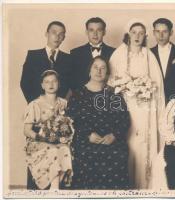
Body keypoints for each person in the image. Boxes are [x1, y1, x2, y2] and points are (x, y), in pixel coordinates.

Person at [109, 19, 165, 189]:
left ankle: (144, 185)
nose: (137, 36)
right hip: (124, 109)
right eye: (134, 32)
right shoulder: (118, 54)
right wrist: (126, 87)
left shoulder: (149, 56)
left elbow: (158, 86)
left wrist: (145, 90)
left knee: (143, 144)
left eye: (141, 33)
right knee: (129, 141)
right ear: (128, 34)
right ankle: (126, 185)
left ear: (145, 36)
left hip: (145, 109)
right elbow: (110, 82)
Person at [67, 56, 130, 189]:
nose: (99, 71)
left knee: (117, 154)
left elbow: (124, 119)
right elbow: (71, 121)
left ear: (107, 73)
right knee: (87, 154)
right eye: (95, 67)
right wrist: (87, 135)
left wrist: (114, 135)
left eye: (103, 68)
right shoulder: (77, 94)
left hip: (111, 140)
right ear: (89, 71)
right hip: (85, 140)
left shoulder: (114, 94)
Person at [23, 70, 73, 190]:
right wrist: (43, 138)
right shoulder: (35, 104)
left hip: (59, 141)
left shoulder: (64, 103)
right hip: (39, 141)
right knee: (53, 150)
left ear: (59, 84)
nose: (51, 84)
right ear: (42, 85)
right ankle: (54, 188)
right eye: (47, 82)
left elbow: (68, 125)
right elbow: (26, 130)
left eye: (54, 81)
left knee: (65, 149)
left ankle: (55, 187)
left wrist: (64, 135)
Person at [20, 21, 71, 103]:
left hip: (60, 108)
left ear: (64, 37)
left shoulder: (69, 59)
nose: (57, 37)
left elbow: (70, 85)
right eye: (54, 32)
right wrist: (36, 104)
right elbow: (25, 83)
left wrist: (61, 104)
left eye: (61, 34)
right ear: (47, 34)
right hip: (37, 107)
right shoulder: (33, 56)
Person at [70, 17, 115, 90]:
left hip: (106, 96)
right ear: (86, 32)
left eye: (99, 30)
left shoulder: (114, 52)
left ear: (104, 32)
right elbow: (73, 80)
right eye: (91, 30)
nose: (95, 34)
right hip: (81, 97)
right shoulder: (75, 53)